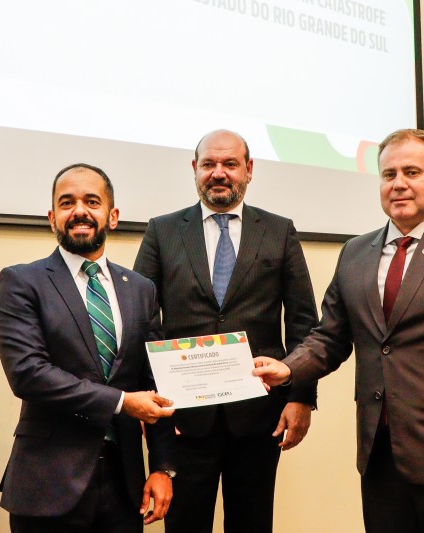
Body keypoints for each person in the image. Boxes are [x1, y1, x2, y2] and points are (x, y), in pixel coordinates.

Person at [253, 129, 424, 533]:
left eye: (411, 172)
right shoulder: (355, 252)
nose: (398, 184)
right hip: (380, 458)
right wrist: (287, 368)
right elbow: (329, 337)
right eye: (388, 175)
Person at [133, 129, 319, 533]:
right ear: (194, 170)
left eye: (230, 164)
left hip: (260, 416)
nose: (219, 173)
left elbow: (304, 322)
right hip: (183, 420)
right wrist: (155, 411)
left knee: (252, 525)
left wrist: (302, 398)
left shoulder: (279, 230)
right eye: (209, 164)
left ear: (248, 170)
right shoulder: (162, 232)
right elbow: (141, 325)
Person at [0, 163, 177, 533]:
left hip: (125, 486)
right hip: (48, 482)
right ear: (52, 218)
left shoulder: (141, 288)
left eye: (92, 201)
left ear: (112, 216)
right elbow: (28, 374)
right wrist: (123, 402)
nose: (79, 211)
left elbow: (154, 380)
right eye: (67, 203)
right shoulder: (22, 281)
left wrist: (162, 467)